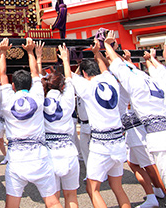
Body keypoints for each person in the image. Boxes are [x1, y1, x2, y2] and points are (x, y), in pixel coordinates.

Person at [0, 37, 62, 208]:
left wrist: (2, 53)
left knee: (12, 204)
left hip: (17, 158)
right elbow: (36, 74)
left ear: (13, 86)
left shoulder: (7, 101)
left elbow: (2, 74)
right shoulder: (38, 96)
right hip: (39, 155)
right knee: (52, 201)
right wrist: (30, 52)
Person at [69, 40, 130, 208]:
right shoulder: (110, 80)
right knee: (118, 188)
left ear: (85, 74)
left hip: (101, 144)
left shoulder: (87, 86)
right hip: (118, 141)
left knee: (92, 189)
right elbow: (104, 68)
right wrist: (97, 53)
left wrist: (66, 60)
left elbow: (68, 75)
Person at [104, 30, 166, 189]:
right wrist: (150, 59)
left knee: (158, 172)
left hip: (158, 137)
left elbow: (119, 66)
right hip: (157, 129)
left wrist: (107, 45)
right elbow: (156, 70)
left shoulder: (135, 83)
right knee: (137, 163)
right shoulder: (151, 79)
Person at [42, 43, 79, 208]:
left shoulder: (39, 99)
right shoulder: (68, 99)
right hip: (69, 150)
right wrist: (65, 59)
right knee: (71, 197)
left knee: (53, 199)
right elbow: (70, 79)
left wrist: (36, 59)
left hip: (49, 152)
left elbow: (36, 80)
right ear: (62, 86)